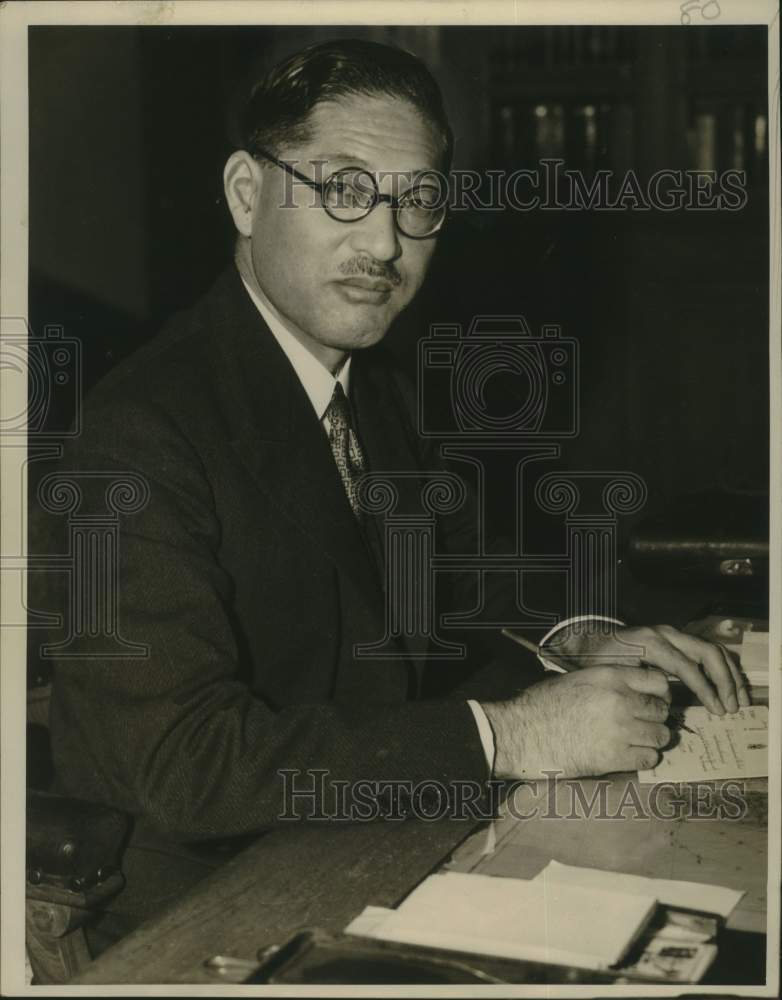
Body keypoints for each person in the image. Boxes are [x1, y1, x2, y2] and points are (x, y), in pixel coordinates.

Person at [35, 38, 745, 937]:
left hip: (380, 838)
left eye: (418, 202)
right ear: (247, 194)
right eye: (342, 189)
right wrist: (512, 736)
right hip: (208, 903)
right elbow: (183, 766)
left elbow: (463, 582)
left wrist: (587, 639)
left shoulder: (372, 385)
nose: (385, 243)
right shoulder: (138, 431)